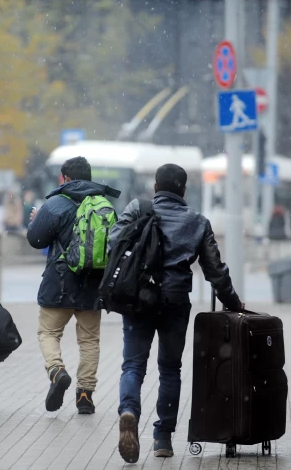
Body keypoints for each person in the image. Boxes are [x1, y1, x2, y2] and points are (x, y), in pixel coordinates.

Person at [109, 163, 244, 462]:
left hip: (137, 298)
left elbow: (113, 243)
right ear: (184, 189)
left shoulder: (136, 208)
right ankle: (163, 438)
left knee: (133, 365)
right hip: (174, 301)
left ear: (155, 188)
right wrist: (232, 302)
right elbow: (215, 272)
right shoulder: (197, 221)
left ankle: (129, 410)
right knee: (170, 370)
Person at [26, 156, 119, 415]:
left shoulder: (56, 203)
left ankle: (56, 370)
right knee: (89, 340)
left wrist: (36, 220)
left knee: (48, 333)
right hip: (92, 284)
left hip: (59, 283)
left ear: (65, 178)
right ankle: (85, 395)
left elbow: (35, 239)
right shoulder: (104, 204)